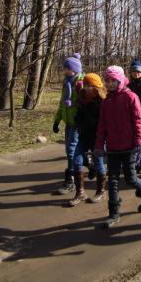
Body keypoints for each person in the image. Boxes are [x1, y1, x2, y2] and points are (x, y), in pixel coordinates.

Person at [95, 66, 141, 228]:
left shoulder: (131, 97)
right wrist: (99, 146)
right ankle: (113, 213)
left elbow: (137, 121)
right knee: (113, 180)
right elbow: (102, 126)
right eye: (106, 80)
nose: (108, 83)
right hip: (113, 147)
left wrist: (139, 142)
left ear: (120, 80)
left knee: (130, 178)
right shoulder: (106, 101)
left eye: (111, 80)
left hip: (129, 147)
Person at [69, 73, 107, 206]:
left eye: (89, 85)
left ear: (95, 87)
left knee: (98, 162)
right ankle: (80, 193)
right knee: (76, 161)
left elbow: (105, 122)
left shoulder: (103, 102)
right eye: (85, 85)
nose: (85, 88)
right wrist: (78, 121)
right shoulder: (81, 99)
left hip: (97, 138)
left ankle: (101, 192)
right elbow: (78, 116)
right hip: (83, 136)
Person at [53, 53, 84, 195]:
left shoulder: (81, 83)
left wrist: (74, 104)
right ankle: (85, 166)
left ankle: (71, 181)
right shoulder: (66, 83)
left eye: (66, 68)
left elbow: (85, 103)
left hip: (78, 122)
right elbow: (62, 104)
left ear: (74, 69)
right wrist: (57, 120)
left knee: (71, 151)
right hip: (69, 122)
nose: (64, 70)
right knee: (69, 151)